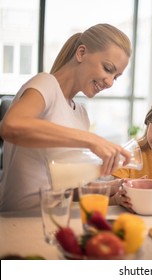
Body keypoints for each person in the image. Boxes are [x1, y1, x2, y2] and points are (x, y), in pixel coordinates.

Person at [0, 24, 135, 212]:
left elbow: (66, 188)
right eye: (107, 68)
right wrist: (92, 140)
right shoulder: (45, 84)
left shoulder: (81, 114)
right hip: (20, 219)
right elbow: (11, 126)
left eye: (116, 77)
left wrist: (113, 188)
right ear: (81, 53)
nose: (110, 82)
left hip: (58, 217)